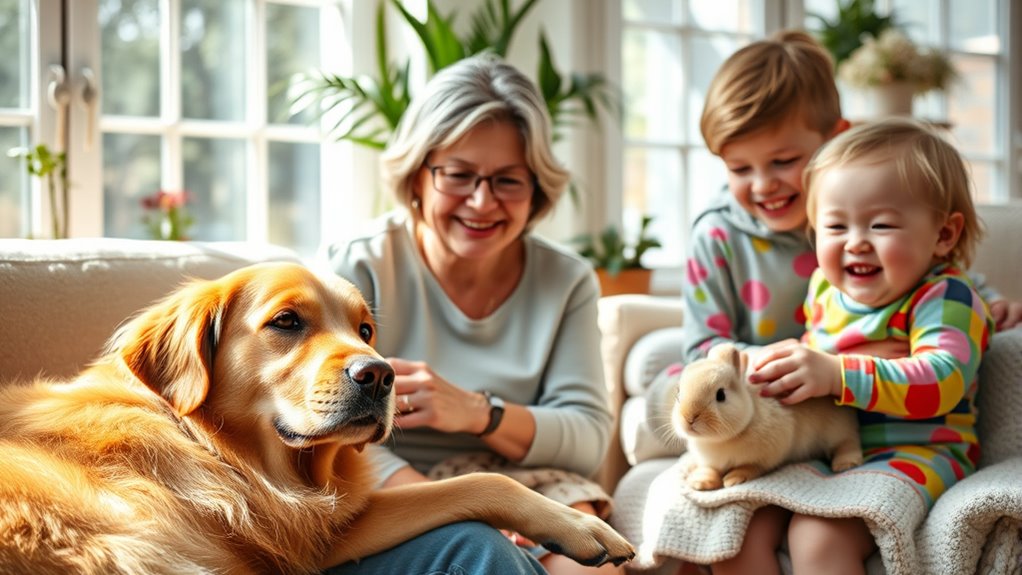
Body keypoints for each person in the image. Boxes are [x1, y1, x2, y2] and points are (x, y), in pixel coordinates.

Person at [323, 53, 621, 575]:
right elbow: (331, 432)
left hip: (530, 476)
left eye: (508, 181)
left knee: (593, 568)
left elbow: (588, 436)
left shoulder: (567, 280)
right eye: (458, 175)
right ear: (418, 178)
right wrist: (466, 502)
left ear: (537, 190)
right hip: (392, 480)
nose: (482, 203)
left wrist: (480, 413)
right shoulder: (360, 265)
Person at [728, 117, 995, 574]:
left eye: (881, 225)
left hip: (918, 452)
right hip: (829, 447)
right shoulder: (825, 292)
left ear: (943, 235)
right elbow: (815, 368)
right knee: (739, 524)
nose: (855, 244)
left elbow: (942, 381)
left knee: (816, 535)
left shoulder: (945, 296)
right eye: (834, 227)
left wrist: (836, 372)